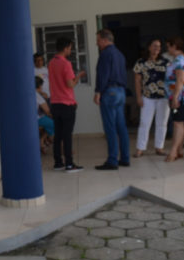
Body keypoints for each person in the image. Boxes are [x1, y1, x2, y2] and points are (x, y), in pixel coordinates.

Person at [93, 29, 130, 170]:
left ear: (104, 39)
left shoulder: (105, 54)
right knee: (121, 126)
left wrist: (98, 92)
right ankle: (125, 158)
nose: (97, 43)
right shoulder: (120, 54)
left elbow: (103, 75)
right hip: (121, 91)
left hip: (109, 92)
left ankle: (112, 160)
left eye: (98, 40)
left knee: (110, 128)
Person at [48, 37, 85, 172]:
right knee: (67, 135)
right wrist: (78, 76)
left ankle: (58, 162)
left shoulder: (51, 63)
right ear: (65, 48)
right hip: (67, 104)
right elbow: (70, 84)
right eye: (70, 48)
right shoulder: (66, 64)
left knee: (58, 135)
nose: (71, 50)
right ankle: (69, 164)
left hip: (55, 104)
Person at [133, 38, 170, 157]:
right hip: (147, 97)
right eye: (154, 46)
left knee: (162, 123)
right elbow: (137, 81)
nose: (157, 49)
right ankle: (140, 148)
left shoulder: (165, 62)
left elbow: (172, 79)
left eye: (159, 46)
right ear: (149, 47)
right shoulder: (141, 62)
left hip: (163, 97)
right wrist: (138, 97)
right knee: (144, 123)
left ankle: (159, 147)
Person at [164, 36, 184, 162]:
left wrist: (175, 97)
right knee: (180, 122)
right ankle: (179, 150)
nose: (167, 49)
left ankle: (173, 151)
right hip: (177, 95)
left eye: (168, 46)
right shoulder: (177, 59)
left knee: (178, 123)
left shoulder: (180, 61)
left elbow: (180, 80)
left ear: (174, 46)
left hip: (180, 96)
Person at [35, 76, 54, 153]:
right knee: (55, 123)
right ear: (39, 86)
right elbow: (47, 110)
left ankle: (44, 140)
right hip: (37, 119)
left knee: (48, 121)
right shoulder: (37, 96)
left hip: (32, 118)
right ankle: (43, 140)